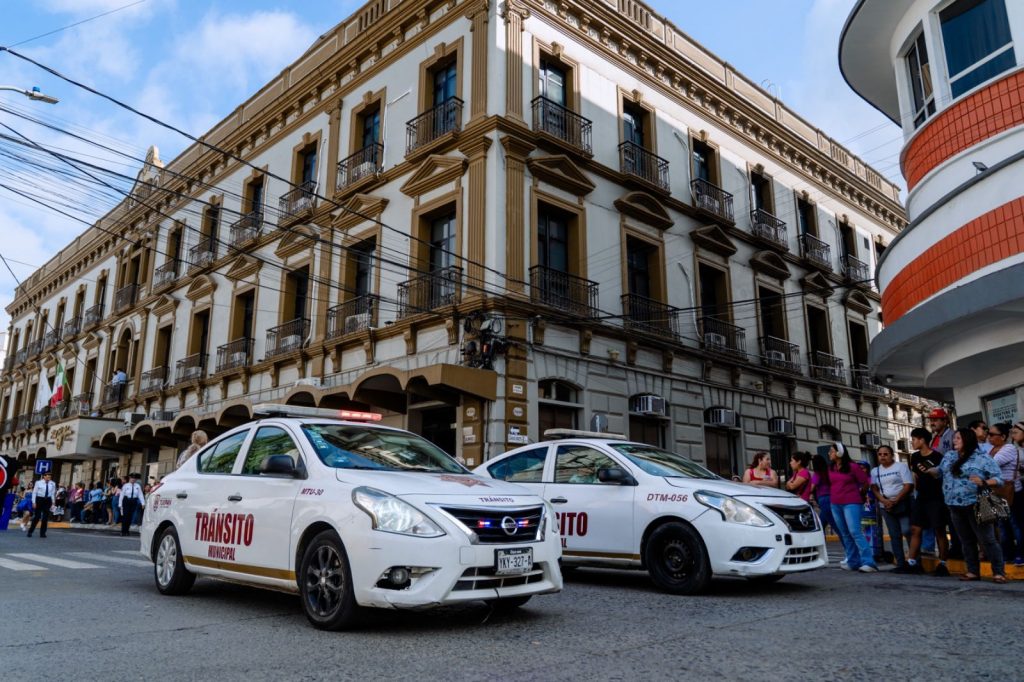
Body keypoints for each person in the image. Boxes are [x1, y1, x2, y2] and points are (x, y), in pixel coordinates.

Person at [936, 427, 1006, 583]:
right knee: (966, 540)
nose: (954, 440)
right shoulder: (949, 456)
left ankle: (999, 572)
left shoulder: (982, 458)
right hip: (953, 504)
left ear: (967, 440)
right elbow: (939, 472)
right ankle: (973, 571)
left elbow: (999, 479)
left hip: (976, 503)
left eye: (958, 438)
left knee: (987, 539)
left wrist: (984, 482)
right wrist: (928, 470)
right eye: (954, 438)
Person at [904, 427, 950, 575]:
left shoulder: (938, 457)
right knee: (915, 529)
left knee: (939, 530)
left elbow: (942, 477)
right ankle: (911, 562)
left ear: (922, 440)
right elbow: (915, 476)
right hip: (921, 497)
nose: (912, 442)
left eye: (914, 439)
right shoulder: (915, 456)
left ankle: (943, 563)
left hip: (936, 497)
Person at [828, 442, 877, 572]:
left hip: (852, 502)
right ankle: (853, 561)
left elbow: (865, 482)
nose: (829, 453)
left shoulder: (853, 466)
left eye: (831, 451)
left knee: (855, 532)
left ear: (839, 452)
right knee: (845, 534)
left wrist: (861, 494)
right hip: (835, 503)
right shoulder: (831, 467)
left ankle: (869, 562)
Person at [870, 445, 913, 570]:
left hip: (902, 503)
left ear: (892, 455)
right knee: (894, 535)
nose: (882, 456)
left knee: (907, 530)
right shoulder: (875, 471)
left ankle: (914, 561)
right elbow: (874, 488)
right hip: (885, 506)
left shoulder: (901, 467)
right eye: (880, 454)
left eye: (886, 454)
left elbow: (908, 485)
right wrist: (883, 500)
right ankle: (900, 563)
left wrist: (896, 499)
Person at [987, 423, 1020, 565]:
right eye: (988, 434)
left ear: (1003, 436)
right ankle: (1007, 554)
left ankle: (1020, 554)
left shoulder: (1008, 448)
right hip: (998, 492)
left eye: (992, 434)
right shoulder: (992, 449)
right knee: (1003, 527)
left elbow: (991, 464)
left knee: (1014, 525)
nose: (989, 437)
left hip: (1011, 492)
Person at [1008, 421, 1024, 566]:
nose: (1013, 435)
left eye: (1016, 432)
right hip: (1018, 489)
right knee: (1018, 523)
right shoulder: (1013, 449)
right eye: (1012, 433)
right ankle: (1020, 553)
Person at [810, 453, 835, 535]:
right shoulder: (828, 471)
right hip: (832, 497)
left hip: (823, 499)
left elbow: (812, 487)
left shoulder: (817, 474)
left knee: (821, 524)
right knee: (823, 523)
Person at [26, 471, 55, 538]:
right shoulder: (38, 483)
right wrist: (34, 502)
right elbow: (34, 493)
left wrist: (53, 502)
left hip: (48, 500)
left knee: (45, 518)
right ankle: (30, 531)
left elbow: (52, 493)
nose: (49, 477)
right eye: (47, 475)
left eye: (50, 476)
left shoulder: (52, 483)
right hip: (39, 499)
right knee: (37, 517)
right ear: (44, 476)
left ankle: (43, 533)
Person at [119, 472, 145, 537]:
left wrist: (143, 503)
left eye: (134, 478)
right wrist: (120, 504)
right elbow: (121, 495)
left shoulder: (137, 486)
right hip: (126, 501)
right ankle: (123, 531)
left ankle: (127, 531)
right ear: (129, 479)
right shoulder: (125, 485)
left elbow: (140, 495)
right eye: (132, 478)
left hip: (133, 501)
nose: (133, 479)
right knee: (125, 516)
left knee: (130, 517)